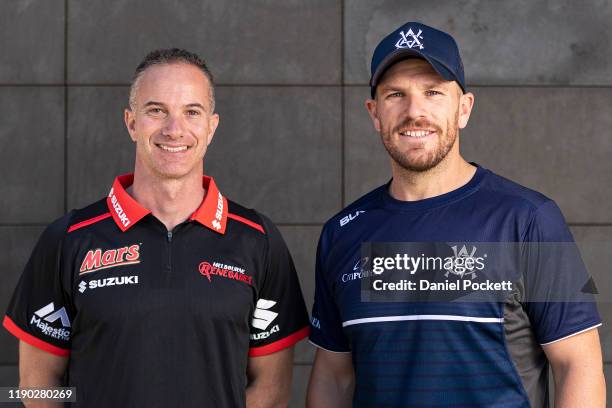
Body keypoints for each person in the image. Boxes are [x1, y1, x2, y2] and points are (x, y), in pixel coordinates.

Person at [306, 22, 605, 407]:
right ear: (374, 112)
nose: (415, 111)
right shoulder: (343, 233)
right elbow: (334, 377)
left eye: (433, 92)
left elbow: (578, 365)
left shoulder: (530, 219)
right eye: (396, 94)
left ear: (464, 108)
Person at [3, 48, 310, 408]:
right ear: (132, 123)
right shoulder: (68, 239)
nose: (174, 129)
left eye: (191, 112)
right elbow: (37, 385)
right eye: (156, 110)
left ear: (211, 128)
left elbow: (270, 390)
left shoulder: (257, 240)